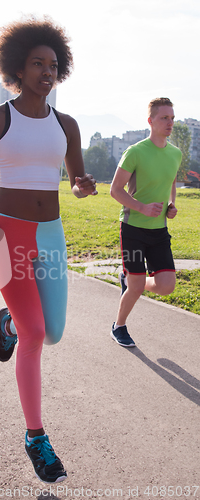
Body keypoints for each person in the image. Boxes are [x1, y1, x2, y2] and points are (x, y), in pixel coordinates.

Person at [0, 17, 97, 483]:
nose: (46, 72)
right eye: (37, 64)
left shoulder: (67, 125)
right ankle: (37, 437)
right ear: (18, 68)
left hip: (51, 234)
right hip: (7, 235)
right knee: (37, 337)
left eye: (53, 65)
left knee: (51, 332)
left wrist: (83, 185)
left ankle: (9, 321)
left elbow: (74, 181)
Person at [110, 97, 182, 348]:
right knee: (137, 285)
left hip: (159, 231)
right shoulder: (135, 152)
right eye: (164, 118)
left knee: (166, 286)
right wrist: (141, 207)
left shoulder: (175, 153)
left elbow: (171, 184)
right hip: (132, 229)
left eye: (172, 118)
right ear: (150, 121)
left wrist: (171, 205)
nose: (170, 122)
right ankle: (119, 326)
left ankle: (131, 282)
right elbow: (115, 190)